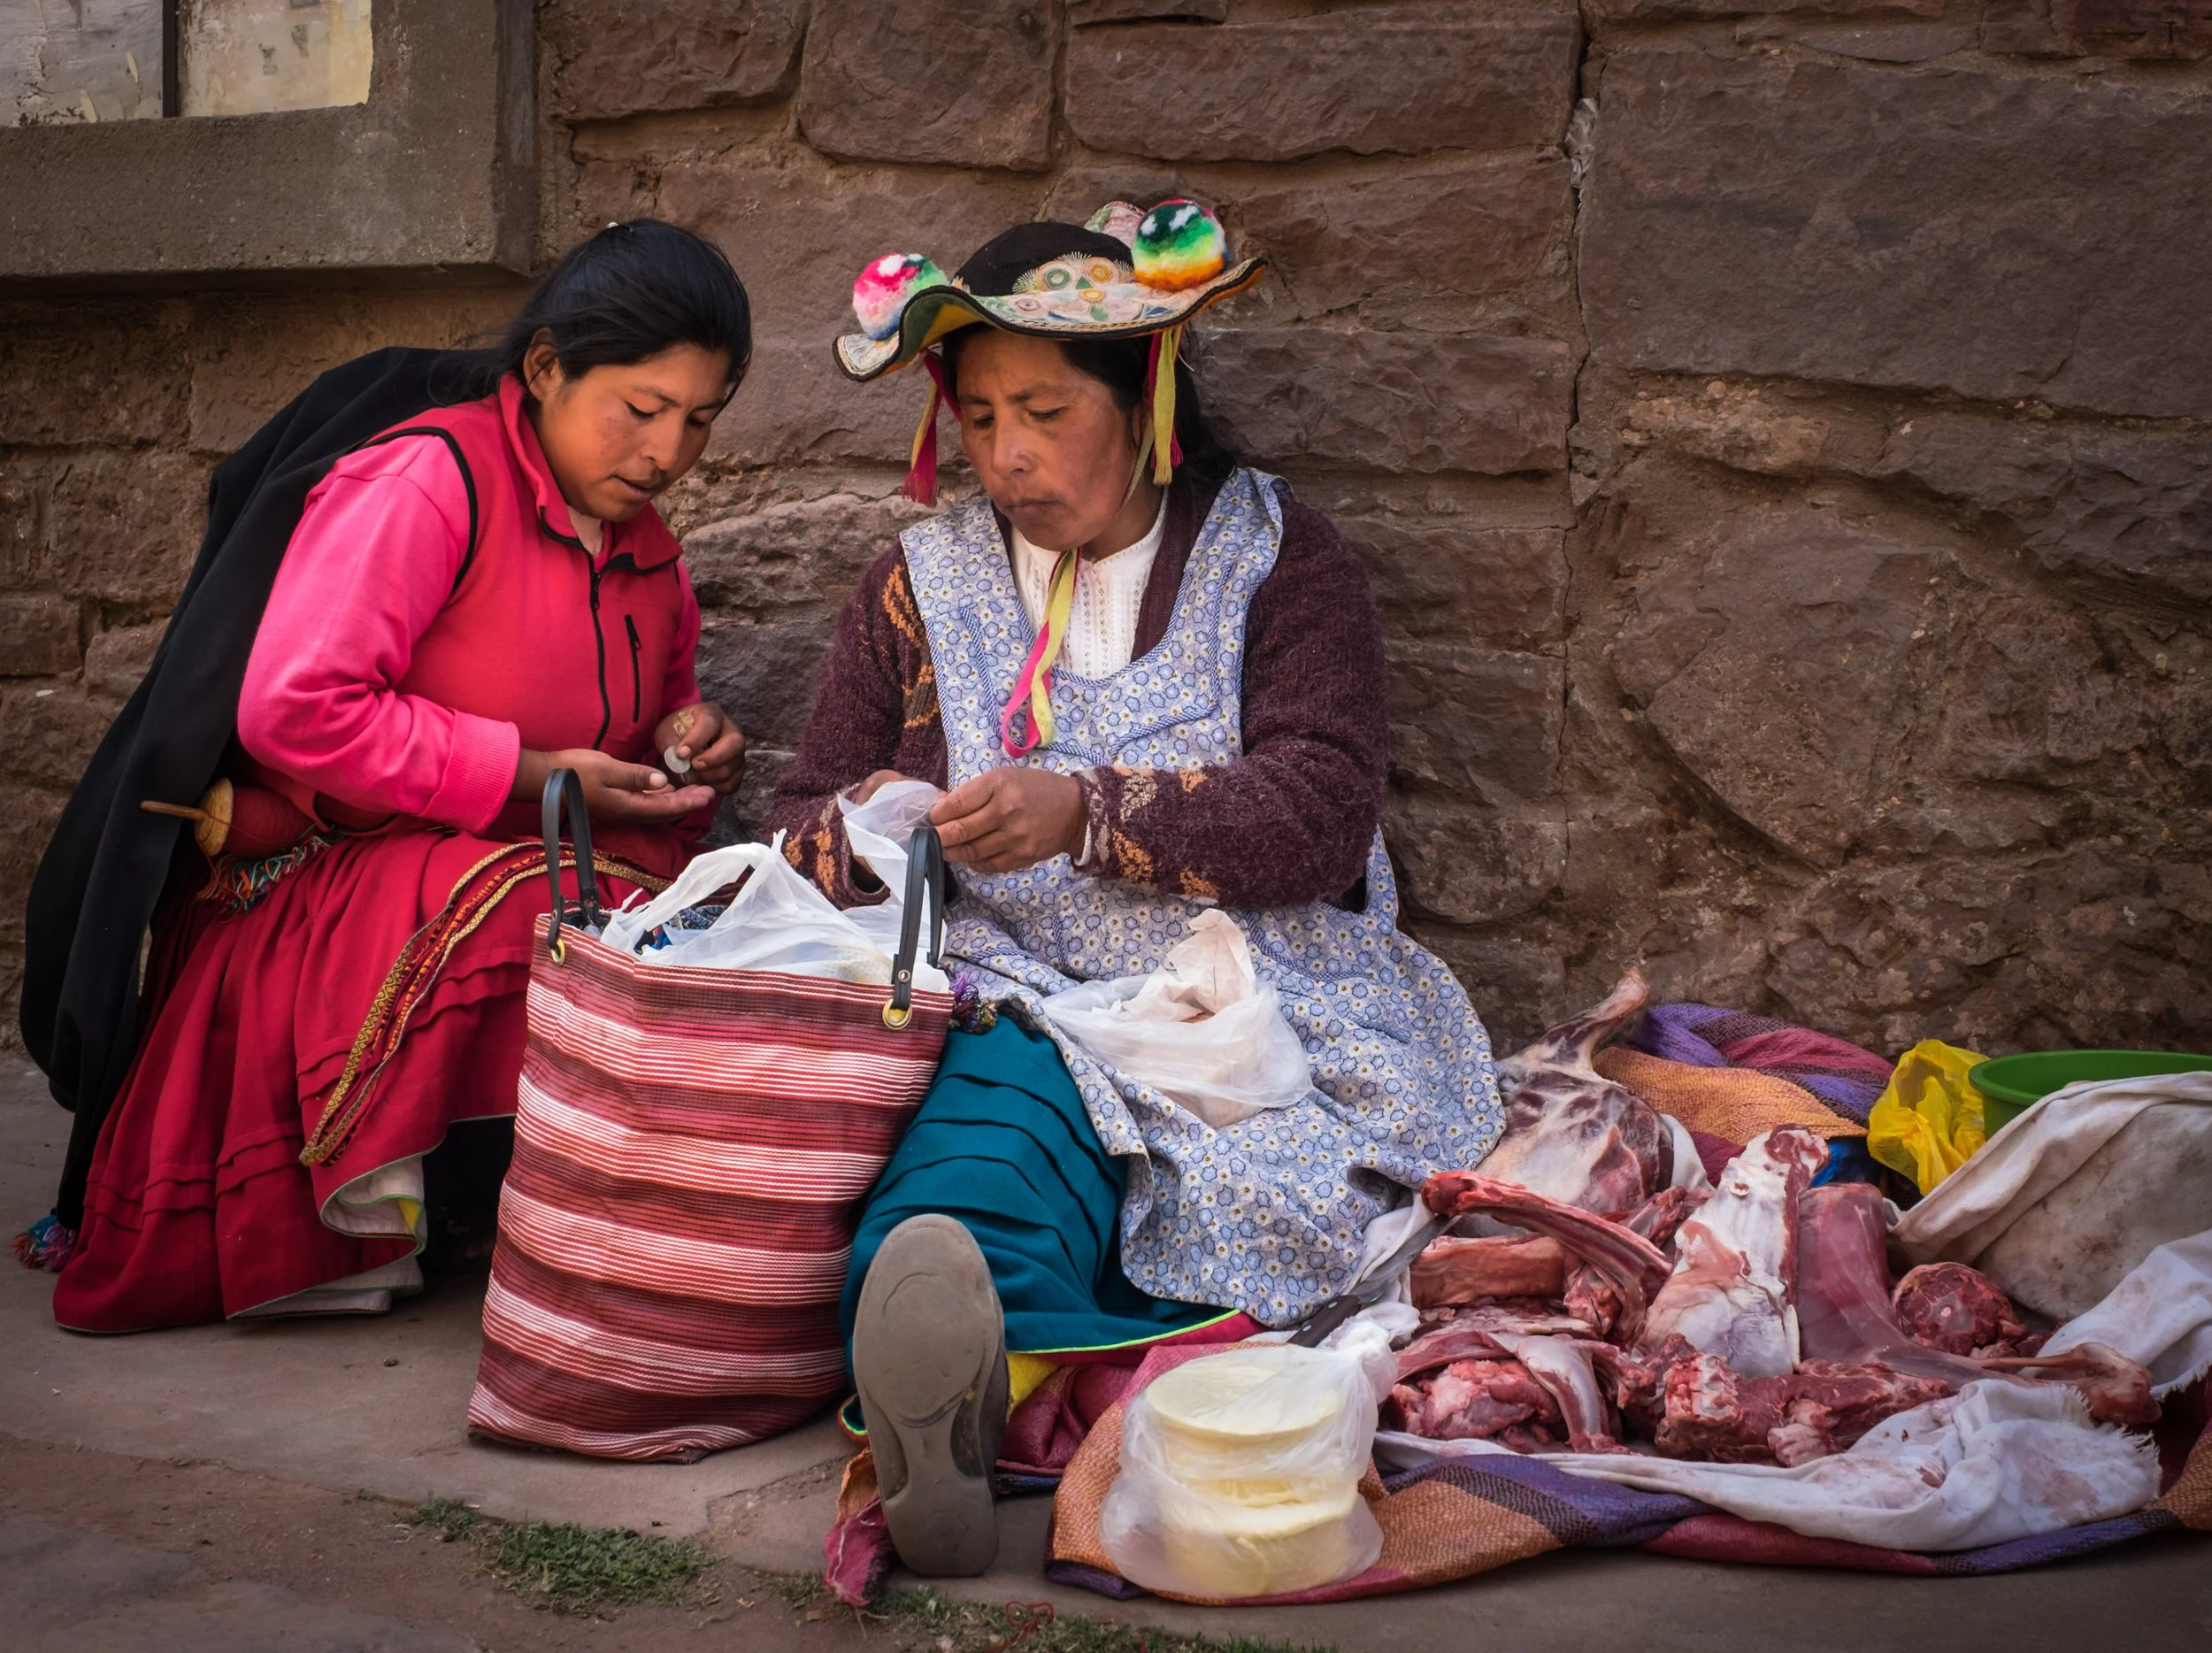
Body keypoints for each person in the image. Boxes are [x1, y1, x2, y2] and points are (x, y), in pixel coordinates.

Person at [771, 202, 1507, 1574]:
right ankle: (966, 1361)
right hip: (1025, 997)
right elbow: (800, 809)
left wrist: (1085, 812)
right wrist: (869, 826)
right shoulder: (913, 590)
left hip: (1247, 993)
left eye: (1047, 410)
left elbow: (1324, 806)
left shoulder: (1276, 558)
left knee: (1268, 1203)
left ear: (1147, 397)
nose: (1009, 454)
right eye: (980, 418)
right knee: (981, 1171)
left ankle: (1038, 1398)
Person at [42, 220, 753, 1333]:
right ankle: (379, 1203)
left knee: (702, 918)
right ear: (546, 368)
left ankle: (564, 1219)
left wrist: (690, 734)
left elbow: (652, 699)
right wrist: (521, 771)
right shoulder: (429, 482)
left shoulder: (646, 544)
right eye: (640, 407)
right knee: (539, 908)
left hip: (521, 854)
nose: (666, 451)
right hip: (332, 879)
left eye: (699, 420)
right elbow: (294, 707)